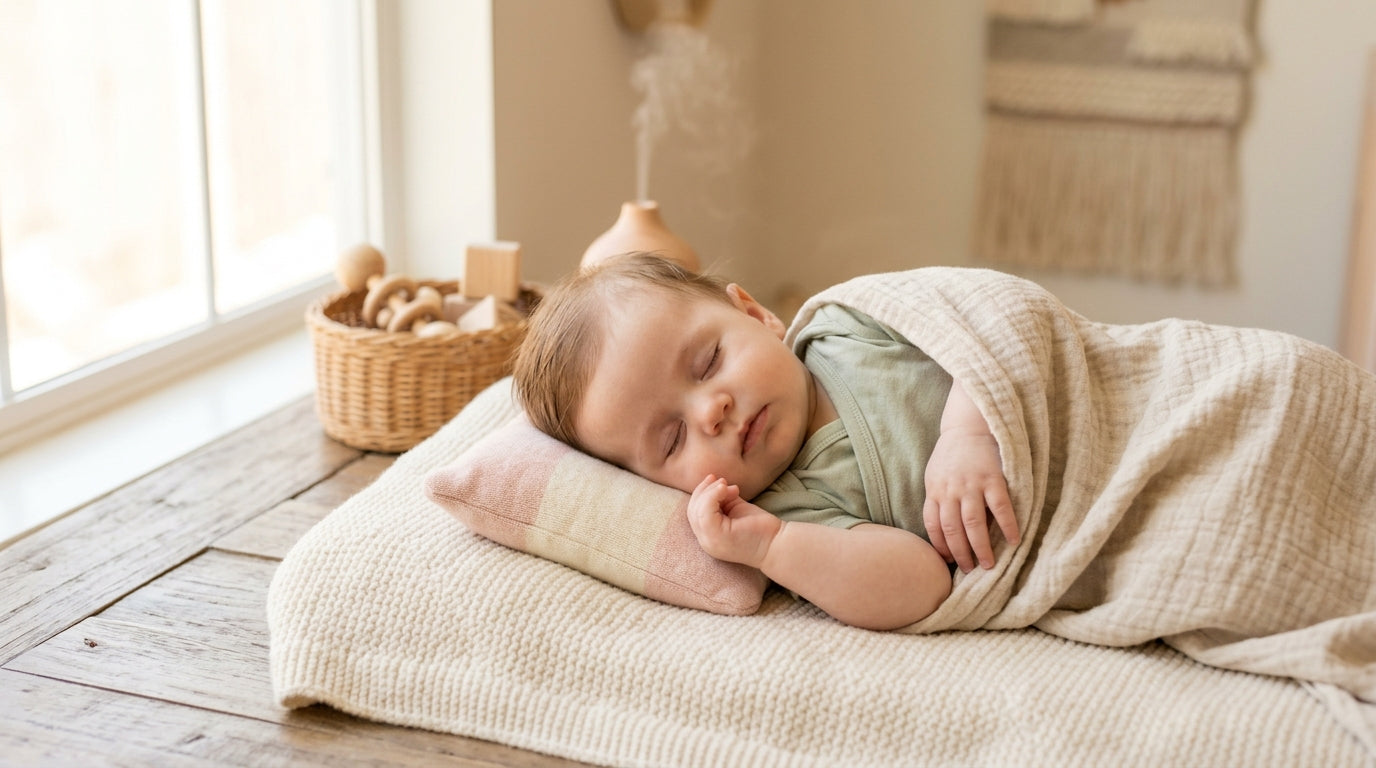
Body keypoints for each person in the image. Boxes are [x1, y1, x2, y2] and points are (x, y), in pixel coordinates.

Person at [513, 254, 1020, 631]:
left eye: (708, 362)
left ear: (755, 317)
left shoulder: (847, 326)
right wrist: (773, 548)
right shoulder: (789, 511)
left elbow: (991, 311)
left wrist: (968, 433)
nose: (711, 411)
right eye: (673, 440)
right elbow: (922, 586)